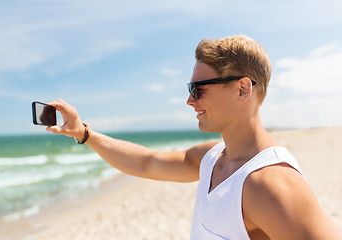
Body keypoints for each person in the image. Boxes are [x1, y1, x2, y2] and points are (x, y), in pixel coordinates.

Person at [46, 35, 342, 239]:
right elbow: (148, 163)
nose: (190, 101)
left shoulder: (270, 183)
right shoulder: (213, 158)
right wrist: (83, 133)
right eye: (190, 89)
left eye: (198, 89)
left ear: (242, 89)